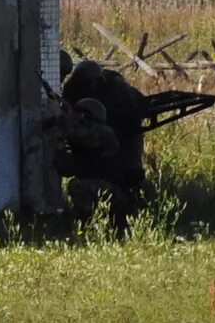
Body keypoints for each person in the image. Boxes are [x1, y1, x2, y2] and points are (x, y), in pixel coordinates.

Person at [57, 54, 151, 229]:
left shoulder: (102, 129)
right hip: (113, 182)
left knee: (78, 187)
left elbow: (69, 162)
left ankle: (90, 224)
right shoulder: (76, 89)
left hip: (117, 190)